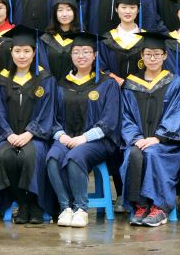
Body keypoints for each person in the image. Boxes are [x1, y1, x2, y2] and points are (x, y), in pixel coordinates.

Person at [45, 34, 119, 228]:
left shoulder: (107, 83)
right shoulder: (61, 84)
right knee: (53, 157)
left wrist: (84, 138)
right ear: (71, 56)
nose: (81, 56)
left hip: (97, 141)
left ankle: (81, 209)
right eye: (76, 52)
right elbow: (52, 117)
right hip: (66, 138)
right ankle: (65, 208)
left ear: (95, 55)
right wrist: (60, 135)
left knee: (75, 156)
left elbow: (110, 120)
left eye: (86, 52)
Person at [119, 34, 180, 227]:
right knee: (133, 154)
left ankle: (159, 207)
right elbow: (125, 116)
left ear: (165, 56)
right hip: (139, 141)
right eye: (148, 54)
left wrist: (158, 137)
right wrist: (136, 138)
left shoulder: (175, 83)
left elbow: (177, 114)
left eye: (157, 54)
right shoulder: (131, 84)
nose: (152, 58)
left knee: (152, 154)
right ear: (142, 55)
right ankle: (140, 206)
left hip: (166, 145)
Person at [0, 29, 51, 225]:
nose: (22, 56)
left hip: (35, 137)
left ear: (34, 52)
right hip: (7, 136)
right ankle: (22, 203)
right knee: (3, 156)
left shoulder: (45, 78)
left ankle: (35, 203)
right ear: (11, 52)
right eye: (17, 51)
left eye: (26, 51)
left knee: (30, 156)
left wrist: (29, 133)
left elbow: (47, 111)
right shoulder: (2, 80)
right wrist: (8, 134)